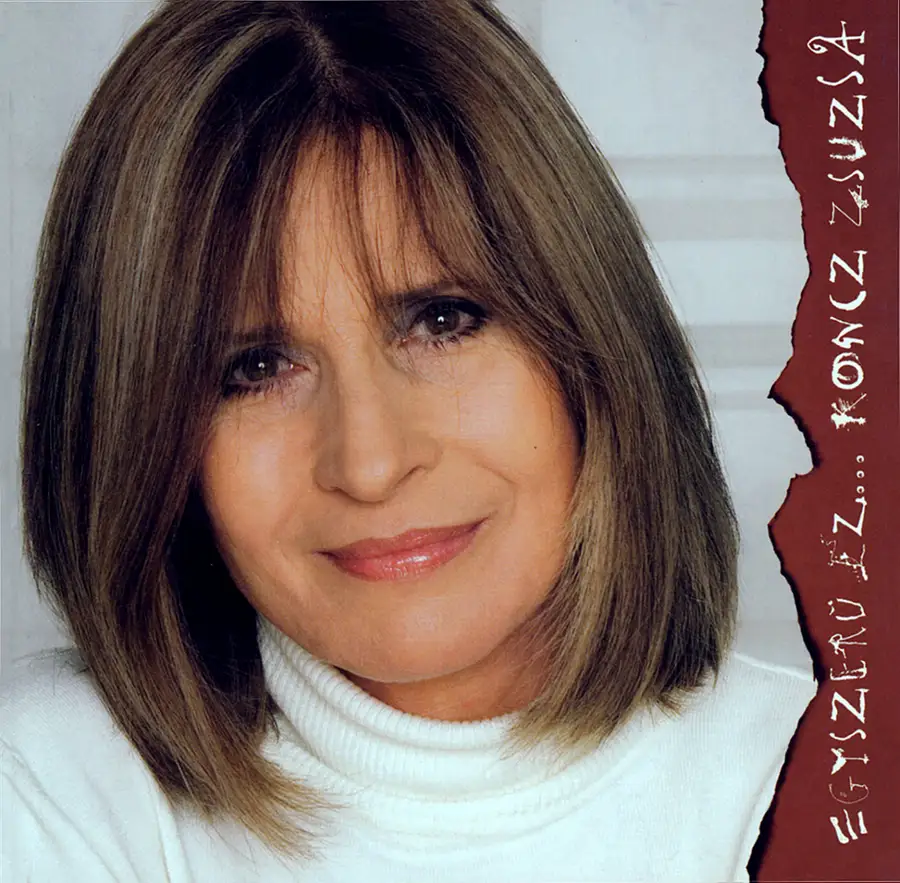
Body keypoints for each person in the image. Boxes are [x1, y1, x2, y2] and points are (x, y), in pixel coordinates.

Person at [1, 1, 815, 880]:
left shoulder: (825, 784)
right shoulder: (48, 789)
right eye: (255, 367)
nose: (372, 464)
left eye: (442, 319)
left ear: (594, 343)